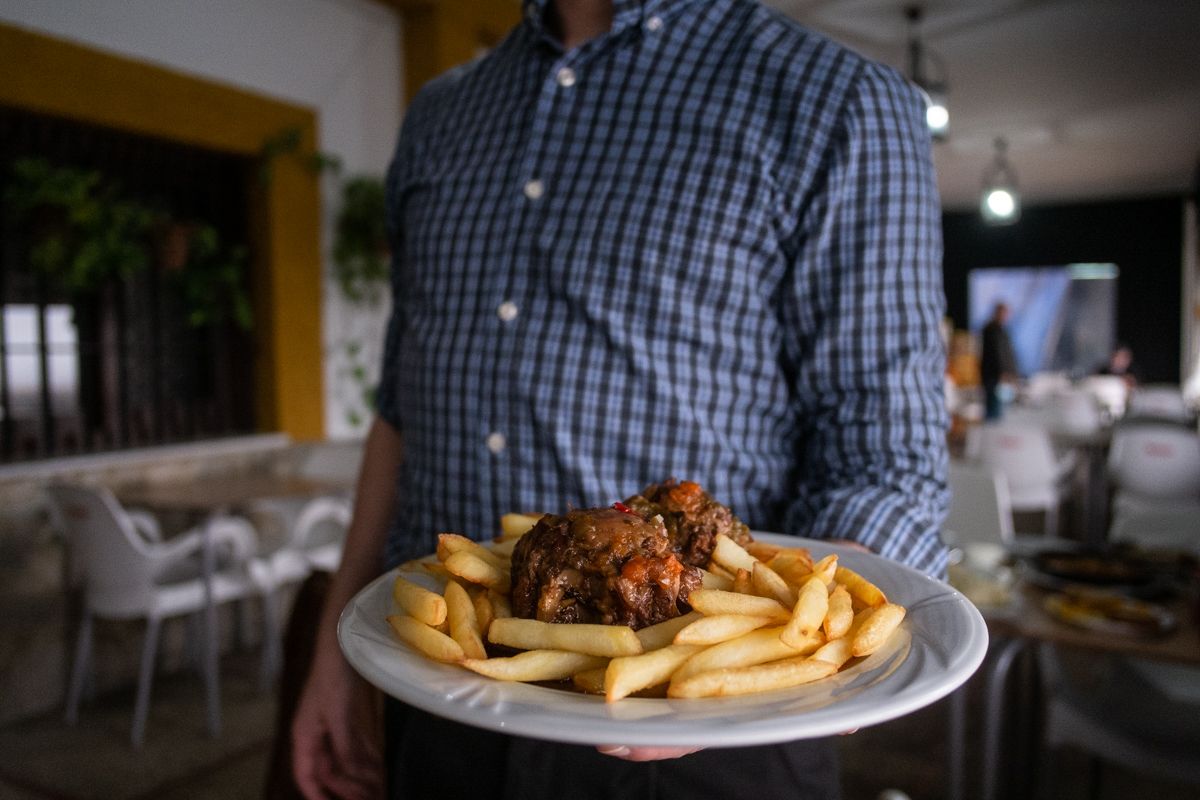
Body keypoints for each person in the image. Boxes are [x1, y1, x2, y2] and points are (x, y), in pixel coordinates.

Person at [291, 1, 948, 798]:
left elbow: (887, 457)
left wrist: (816, 662)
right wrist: (336, 647)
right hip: (440, 704)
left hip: (708, 732)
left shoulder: (837, 103)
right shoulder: (440, 115)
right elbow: (399, 412)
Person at [979, 302, 1019, 420]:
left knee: (1001, 409)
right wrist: (1004, 372)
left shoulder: (1002, 330)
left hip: (1001, 377)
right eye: (1004, 313)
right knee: (994, 409)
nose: (1006, 316)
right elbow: (997, 353)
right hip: (994, 377)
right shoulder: (992, 330)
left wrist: (1012, 372)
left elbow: (1007, 354)